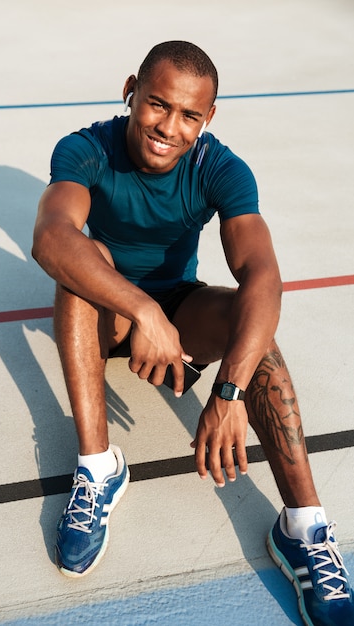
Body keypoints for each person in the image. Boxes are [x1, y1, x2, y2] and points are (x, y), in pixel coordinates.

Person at [33, 41, 353, 625]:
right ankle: (99, 468)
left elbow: (263, 276)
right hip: (110, 312)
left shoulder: (220, 168)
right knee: (83, 263)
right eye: (156, 105)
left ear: (208, 119)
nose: (169, 127)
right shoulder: (85, 149)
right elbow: (52, 235)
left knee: (252, 327)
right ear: (130, 90)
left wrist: (228, 391)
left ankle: (303, 528)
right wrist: (143, 312)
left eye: (189, 116)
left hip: (178, 312)